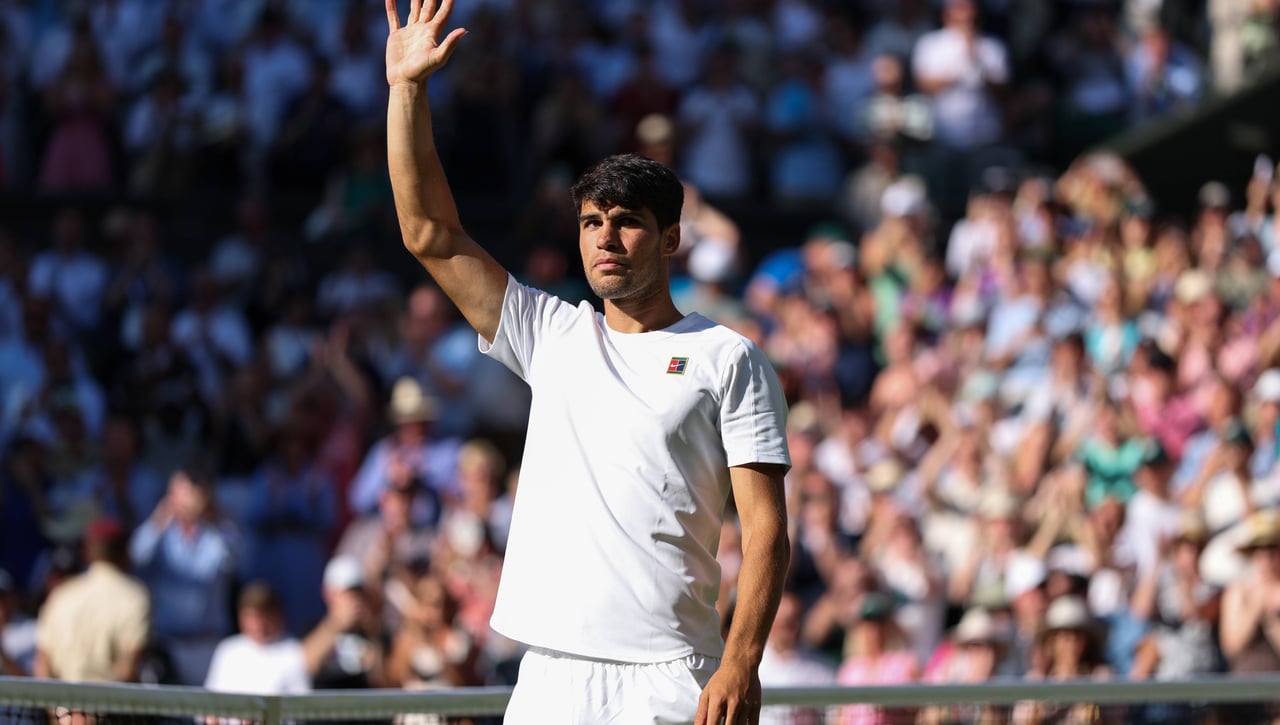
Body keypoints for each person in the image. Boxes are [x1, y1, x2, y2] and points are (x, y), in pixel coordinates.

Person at [383, 2, 792, 723]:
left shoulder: (729, 356)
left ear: (670, 240)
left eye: (627, 222)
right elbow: (429, 234)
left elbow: (765, 530)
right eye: (591, 222)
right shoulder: (551, 334)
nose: (605, 238)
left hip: (673, 675)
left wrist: (739, 659)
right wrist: (407, 91)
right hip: (550, 678)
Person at [33, 518, 150, 682]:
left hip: (63, 704)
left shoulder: (61, 595)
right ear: (126, 552)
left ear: (87, 553)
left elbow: (42, 665)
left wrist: (58, 708)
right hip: (110, 705)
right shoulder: (135, 598)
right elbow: (127, 669)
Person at [204, 582, 310, 696]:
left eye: (264, 617)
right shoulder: (227, 649)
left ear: (278, 616)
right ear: (240, 617)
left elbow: (299, 705)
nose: (258, 625)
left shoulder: (293, 651)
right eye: (251, 617)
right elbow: (210, 701)